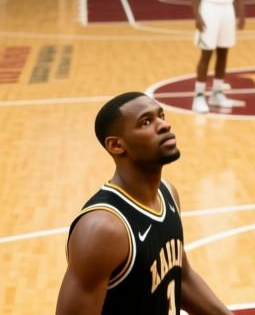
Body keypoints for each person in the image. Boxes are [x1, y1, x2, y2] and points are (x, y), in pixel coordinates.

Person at [56, 91, 233, 314]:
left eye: (162, 116)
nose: (164, 126)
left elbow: (183, 278)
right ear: (116, 145)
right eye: (146, 122)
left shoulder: (167, 194)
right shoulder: (103, 229)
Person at [188, 0, 244, 114]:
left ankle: (217, 92)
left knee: (223, 53)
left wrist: (241, 13)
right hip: (209, 8)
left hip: (227, 8)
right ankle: (198, 96)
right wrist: (197, 15)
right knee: (206, 54)